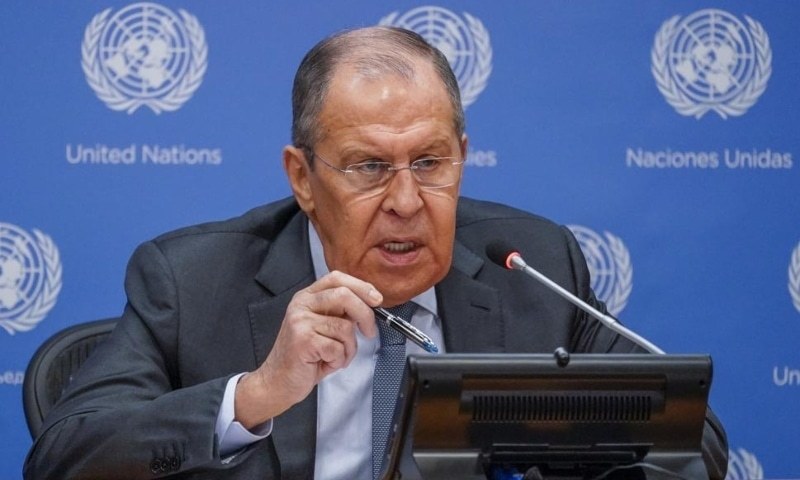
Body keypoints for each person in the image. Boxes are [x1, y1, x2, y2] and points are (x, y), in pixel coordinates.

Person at [24, 26, 728, 479]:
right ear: (302, 177)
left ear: (463, 157)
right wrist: (259, 392)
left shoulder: (533, 266)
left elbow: (694, 446)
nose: (405, 200)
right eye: (367, 167)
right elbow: (63, 458)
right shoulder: (191, 279)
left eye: (430, 162)